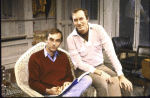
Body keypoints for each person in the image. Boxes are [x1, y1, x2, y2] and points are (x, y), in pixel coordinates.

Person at [67, 8, 133, 97]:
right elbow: (79, 64)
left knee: (126, 86)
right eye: (75, 20)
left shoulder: (98, 29)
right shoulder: (71, 38)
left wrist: (121, 75)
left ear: (87, 18)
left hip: (100, 66)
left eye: (81, 18)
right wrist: (99, 73)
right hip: (83, 70)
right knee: (103, 84)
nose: (78, 23)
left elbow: (111, 52)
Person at [28, 28, 92, 97]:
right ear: (46, 40)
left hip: (64, 90)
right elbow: (32, 82)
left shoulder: (63, 56)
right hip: (49, 93)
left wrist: (67, 82)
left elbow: (69, 75)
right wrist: (48, 91)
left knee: (87, 79)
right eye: (51, 39)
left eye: (57, 41)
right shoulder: (35, 57)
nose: (54, 43)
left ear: (60, 43)